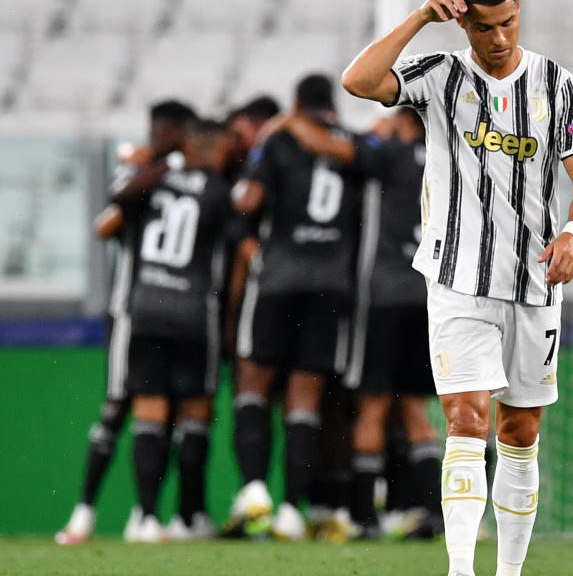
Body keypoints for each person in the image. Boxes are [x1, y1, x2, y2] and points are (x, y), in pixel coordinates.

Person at [342, 0, 573, 576]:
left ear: (520, 14)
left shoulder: (555, 83)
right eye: (483, 26)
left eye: (508, 23)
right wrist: (419, 20)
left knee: (520, 430)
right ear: (465, 21)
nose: (497, 38)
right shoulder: (440, 74)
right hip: (457, 279)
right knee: (466, 417)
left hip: (537, 282)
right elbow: (361, 82)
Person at [228, 74, 377, 540]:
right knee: (305, 401)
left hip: (278, 278)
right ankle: (293, 508)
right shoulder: (352, 145)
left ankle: (255, 489)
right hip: (332, 284)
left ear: (296, 103)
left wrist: (262, 151)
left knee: (253, 383)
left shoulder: (279, 139)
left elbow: (246, 200)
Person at [56, 99, 197, 545]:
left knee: (163, 415)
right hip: (129, 311)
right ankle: (83, 512)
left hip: (174, 313)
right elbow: (106, 223)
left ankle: (145, 512)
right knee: (118, 407)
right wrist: (157, 166)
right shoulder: (141, 177)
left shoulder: (192, 179)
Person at [109, 118, 234, 541]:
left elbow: (118, 199)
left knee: (149, 416)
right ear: (214, 150)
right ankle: (187, 518)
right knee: (195, 418)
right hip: (194, 314)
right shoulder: (218, 189)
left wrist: (157, 164)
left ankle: (144, 517)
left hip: (147, 309)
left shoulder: (153, 181)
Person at [342, 106, 443, 540]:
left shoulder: (386, 155)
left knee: (374, 406)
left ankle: (365, 518)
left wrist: (376, 132)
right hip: (429, 295)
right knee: (417, 409)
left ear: (403, 124)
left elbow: (349, 149)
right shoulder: (444, 160)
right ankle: (434, 514)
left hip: (383, 293)